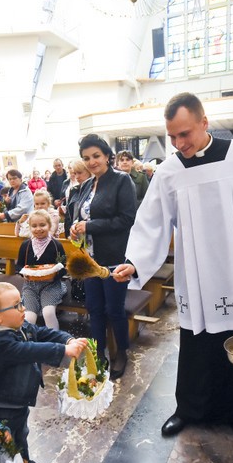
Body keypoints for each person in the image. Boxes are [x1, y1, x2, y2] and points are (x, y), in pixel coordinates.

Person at [112, 92, 233, 437]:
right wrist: (135, 262)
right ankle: (190, 409)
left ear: (204, 123)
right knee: (198, 346)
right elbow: (152, 221)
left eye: (185, 134)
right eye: (172, 137)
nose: (179, 144)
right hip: (197, 274)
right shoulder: (169, 171)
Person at [0, 282, 88, 463]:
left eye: (22, 303)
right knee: (5, 444)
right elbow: (27, 350)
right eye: (17, 305)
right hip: (3, 405)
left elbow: (41, 332)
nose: (24, 308)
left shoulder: (20, 326)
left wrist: (66, 339)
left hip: (19, 399)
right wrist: (63, 350)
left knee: (20, 435)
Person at [69, 134, 137, 380]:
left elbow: (127, 219)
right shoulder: (87, 184)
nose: (92, 162)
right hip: (90, 259)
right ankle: (98, 353)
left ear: (107, 155)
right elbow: (81, 216)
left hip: (114, 257)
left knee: (114, 309)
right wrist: (75, 228)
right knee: (94, 308)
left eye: (96, 156)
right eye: (86, 158)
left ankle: (121, 352)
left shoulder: (121, 180)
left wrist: (89, 226)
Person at [16, 210, 67, 329]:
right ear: (30, 227)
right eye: (34, 226)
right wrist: (24, 273)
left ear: (49, 225)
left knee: (48, 313)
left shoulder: (56, 245)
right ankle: (29, 339)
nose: (38, 229)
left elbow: (63, 267)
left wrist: (53, 276)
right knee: (29, 317)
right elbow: (19, 266)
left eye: (42, 225)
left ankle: (54, 338)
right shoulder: (26, 245)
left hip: (51, 285)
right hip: (30, 286)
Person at [61, 160, 91, 237]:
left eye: (80, 173)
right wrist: (68, 234)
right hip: (75, 234)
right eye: (75, 173)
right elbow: (68, 215)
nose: (77, 177)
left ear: (89, 171)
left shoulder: (96, 190)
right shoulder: (73, 190)